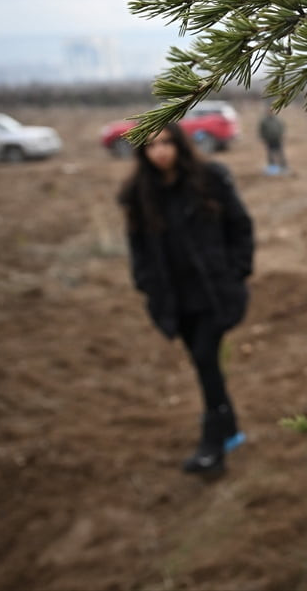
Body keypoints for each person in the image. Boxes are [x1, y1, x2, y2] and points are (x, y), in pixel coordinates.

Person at [118, 122, 255, 476]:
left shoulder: (210, 179)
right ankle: (230, 429)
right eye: (151, 146)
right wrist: (146, 284)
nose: (160, 151)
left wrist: (236, 270)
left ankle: (212, 446)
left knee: (206, 358)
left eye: (166, 142)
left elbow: (240, 225)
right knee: (203, 362)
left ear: (179, 144)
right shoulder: (139, 193)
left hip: (215, 291)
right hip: (175, 299)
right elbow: (138, 247)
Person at [259, 109, 287, 174]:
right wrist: (263, 138)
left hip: (277, 139)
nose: (270, 113)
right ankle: (272, 167)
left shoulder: (278, 120)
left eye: (271, 112)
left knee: (280, 153)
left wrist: (282, 135)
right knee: (270, 154)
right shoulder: (264, 121)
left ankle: (283, 166)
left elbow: (282, 128)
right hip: (269, 140)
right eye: (269, 112)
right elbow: (261, 130)